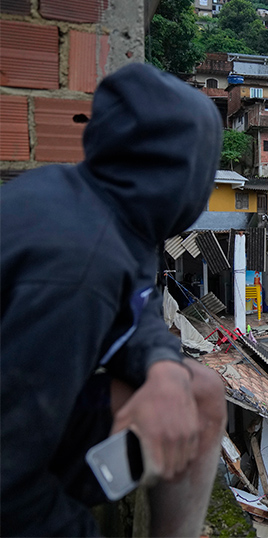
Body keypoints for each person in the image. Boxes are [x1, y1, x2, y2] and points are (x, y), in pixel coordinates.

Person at [0, 63, 227, 536]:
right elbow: (8, 483)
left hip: (34, 421)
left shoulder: (102, 205)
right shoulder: (78, 272)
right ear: (186, 174)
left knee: (200, 394)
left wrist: (162, 368)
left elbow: (137, 304)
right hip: (15, 464)